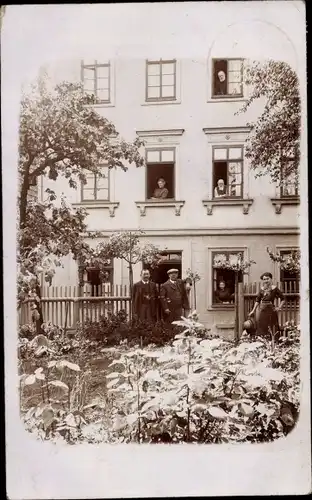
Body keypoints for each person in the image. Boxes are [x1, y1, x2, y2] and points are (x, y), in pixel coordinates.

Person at [248, 272, 285, 338]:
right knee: (262, 326)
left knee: (273, 326)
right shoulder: (262, 289)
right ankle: (262, 343)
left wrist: (279, 307)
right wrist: (253, 311)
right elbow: (257, 300)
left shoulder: (275, 289)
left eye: (267, 279)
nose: (266, 281)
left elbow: (283, 299)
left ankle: (274, 343)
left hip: (271, 310)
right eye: (264, 279)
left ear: (271, 279)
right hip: (263, 310)